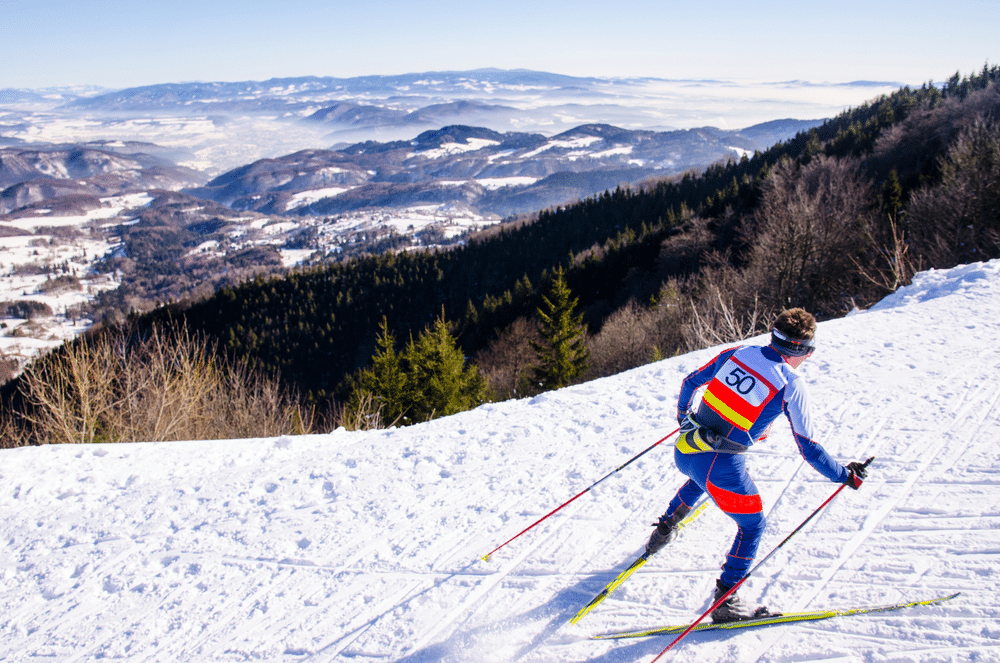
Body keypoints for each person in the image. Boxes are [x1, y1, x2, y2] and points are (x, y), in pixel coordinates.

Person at [645, 308, 868, 623]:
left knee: (701, 481)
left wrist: (684, 419)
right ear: (804, 350)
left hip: (686, 450)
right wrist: (846, 476)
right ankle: (726, 602)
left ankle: (663, 531)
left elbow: (690, 382)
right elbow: (810, 449)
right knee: (752, 526)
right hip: (721, 469)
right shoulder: (791, 383)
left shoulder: (738, 353)